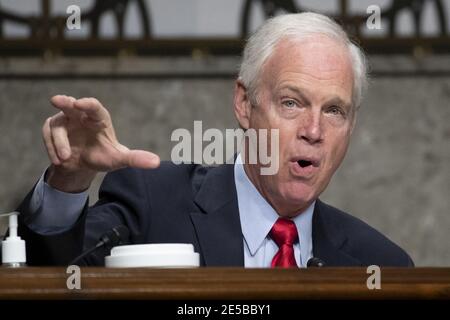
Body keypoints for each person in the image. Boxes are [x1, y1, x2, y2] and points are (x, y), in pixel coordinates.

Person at [17, 12, 413, 267]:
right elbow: (49, 279)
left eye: (334, 110)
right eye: (292, 103)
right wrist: (70, 180)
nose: (313, 131)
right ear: (244, 103)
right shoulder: (152, 204)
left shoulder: (380, 264)